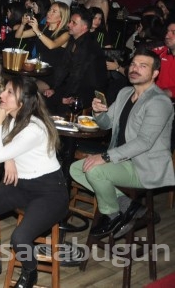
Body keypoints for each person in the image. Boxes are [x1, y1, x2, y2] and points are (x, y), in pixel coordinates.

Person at [0, 76, 68, 288]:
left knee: (19, 238)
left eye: (9, 92)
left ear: (22, 102)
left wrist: (1, 139)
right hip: (22, 185)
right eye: (5, 90)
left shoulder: (35, 128)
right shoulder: (12, 119)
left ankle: (30, 272)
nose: (2, 95)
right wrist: (9, 156)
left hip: (49, 192)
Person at [70, 50, 174, 239]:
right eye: (134, 64)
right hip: (123, 161)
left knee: (94, 170)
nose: (135, 69)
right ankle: (128, 206)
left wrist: (105, 157)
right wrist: (99, 113)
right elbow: (107, 124)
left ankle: (112, 214)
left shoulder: (159, 101)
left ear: (155, 73)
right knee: (76, 169)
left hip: (144, 167)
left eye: (143, 66)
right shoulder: (125, 92)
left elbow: (144, 142)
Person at [14, 1, 71, 91]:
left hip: (51, 74)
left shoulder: (66, 33)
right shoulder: (42, 27)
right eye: (49, 10)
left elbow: (51, 45)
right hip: (37, 69)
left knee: (27, 90)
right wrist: (23, 24)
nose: (49, 13)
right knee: (16, 84)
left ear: (62, 16)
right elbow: (18, 35)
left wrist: (37, 31)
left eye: (54, 11)